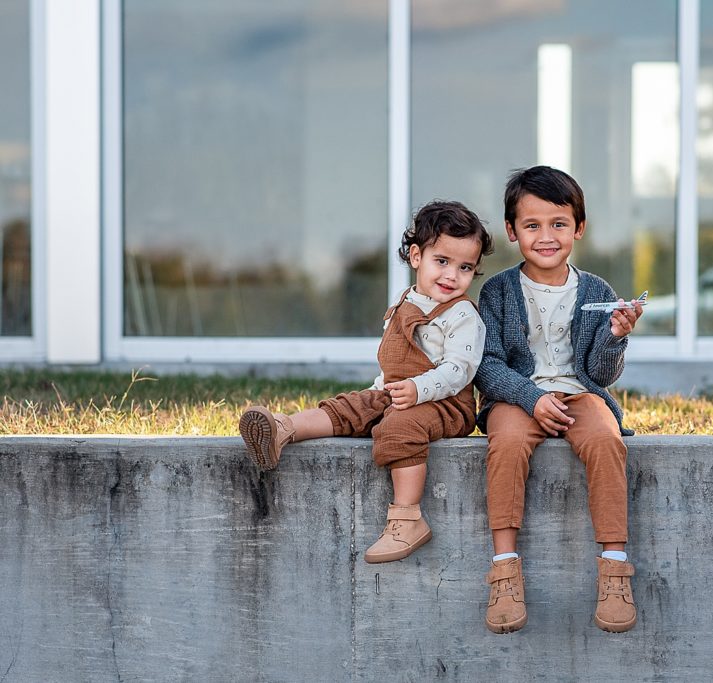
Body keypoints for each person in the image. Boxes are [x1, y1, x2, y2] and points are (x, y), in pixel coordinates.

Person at [239, 200, 493, 564]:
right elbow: (394, 361)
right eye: (443, 262)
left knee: (399, 427)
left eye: (465, 267)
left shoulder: (462, 314)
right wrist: (378, 392)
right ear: (417, 256)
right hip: (399, 392)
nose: (452, 276)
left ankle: (408, 519)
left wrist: (419, 390)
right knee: (350, 406)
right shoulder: (404, 301)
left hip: (446, 405)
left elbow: (460, 369)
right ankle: (282, 430)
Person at [474, 166, 644, 634]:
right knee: (505, 444)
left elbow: (598, 375)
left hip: (579, 394)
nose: (546, 236)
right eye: (532, 226)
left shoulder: (596, 292)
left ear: (578, 227)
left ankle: (614, 567)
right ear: (512, 231)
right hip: (517, 397)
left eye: (558, 224)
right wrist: (530, 398)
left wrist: (614, 337)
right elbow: (486, 366)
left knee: (607, 441)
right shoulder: (499, 291)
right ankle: (505, 569)